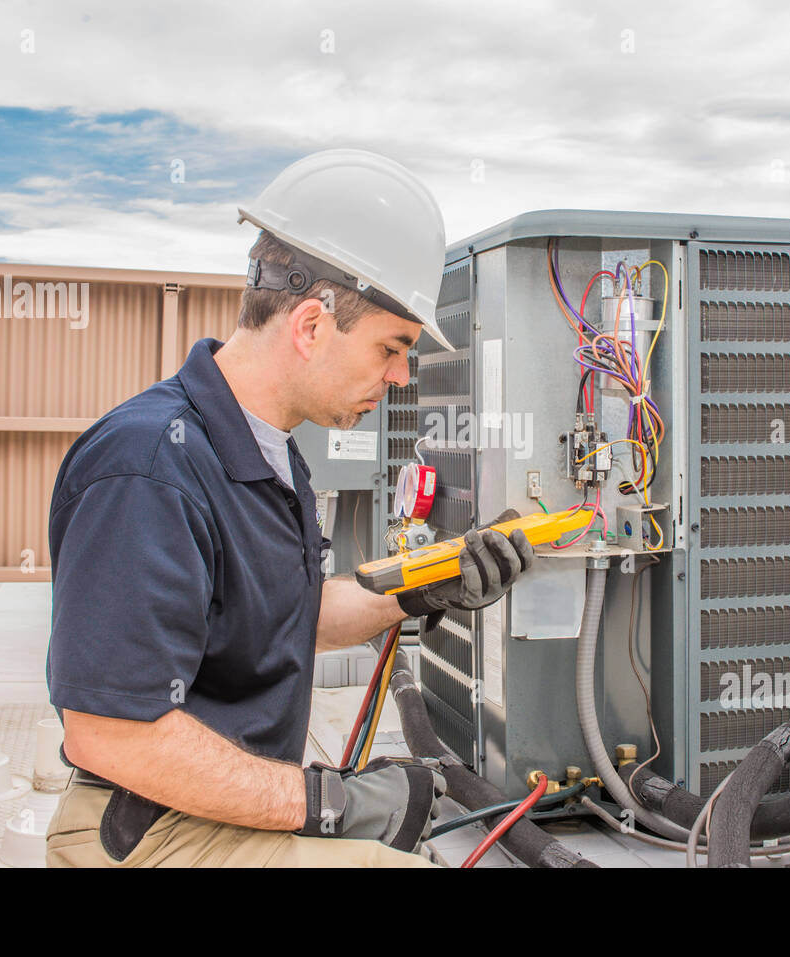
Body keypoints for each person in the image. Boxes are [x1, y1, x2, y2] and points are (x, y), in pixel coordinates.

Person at [43, 150, 535, 867]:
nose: (400, 377)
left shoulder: (267, 454)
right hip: (146, 830)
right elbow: (111, 732)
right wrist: (325, 802)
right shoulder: (149, 468)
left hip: (212, 809)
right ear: (310, 325)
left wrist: (431, 582)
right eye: (392, 348)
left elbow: (291, 620)